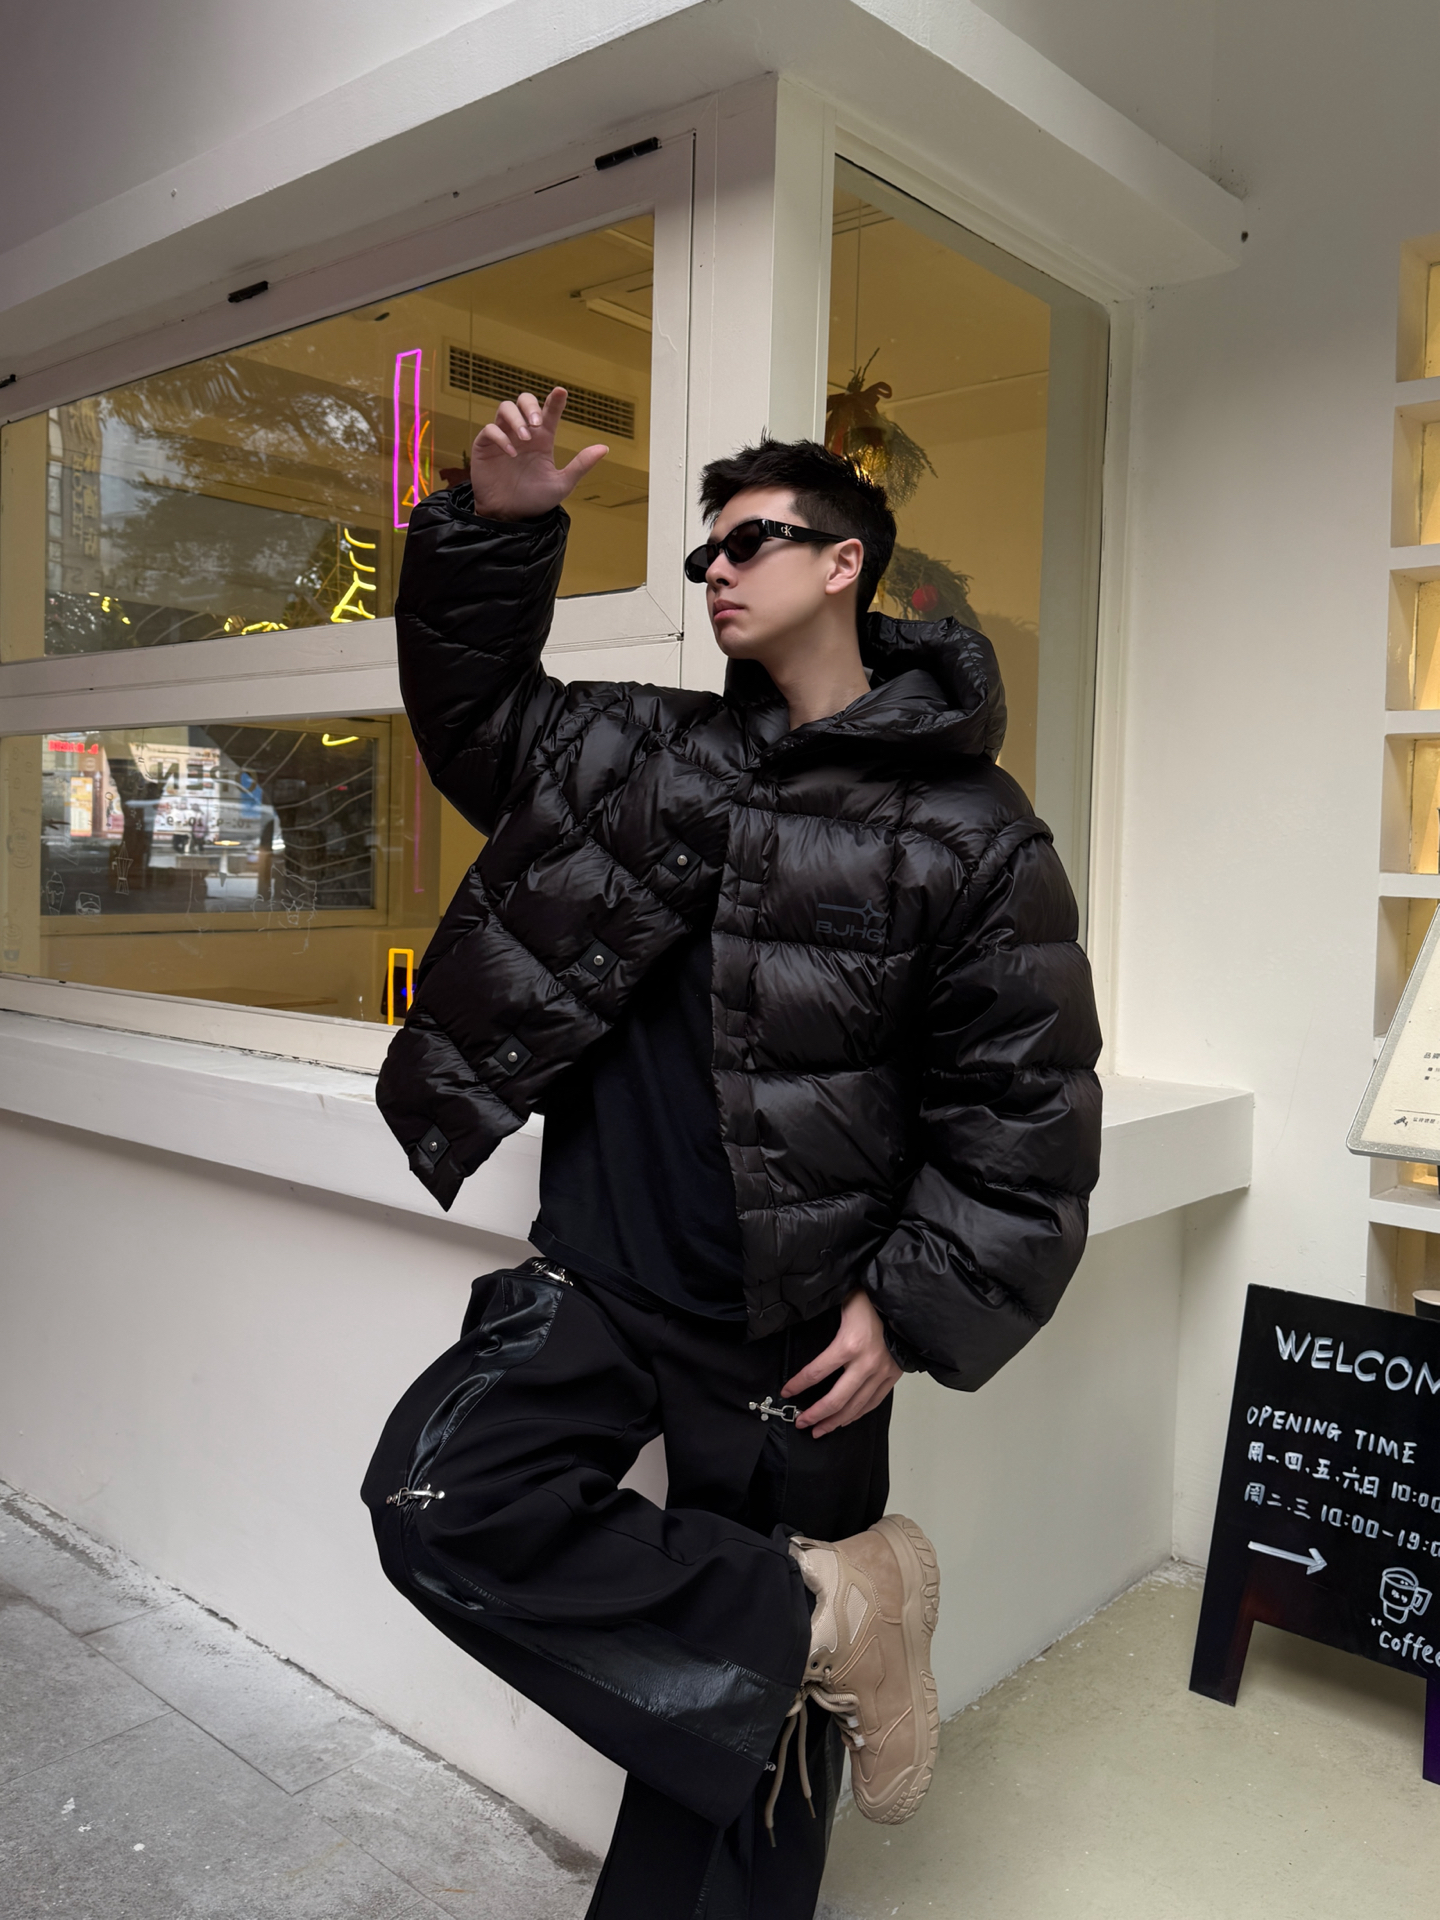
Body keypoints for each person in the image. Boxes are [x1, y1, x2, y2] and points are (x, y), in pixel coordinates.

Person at [363, 388, 1102, 1918]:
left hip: (799, 1331)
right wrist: (494, 532)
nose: (715, 568)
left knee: (743, 1754)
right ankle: (835, 1613)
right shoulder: (638, 749)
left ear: (845, 565)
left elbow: (1022, 1110)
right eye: (707, 548)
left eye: (750, 541)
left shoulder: (972, 833)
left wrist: (910, 1306)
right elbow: (473, 713)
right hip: (599, 1279)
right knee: (439, 1499)